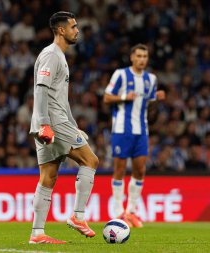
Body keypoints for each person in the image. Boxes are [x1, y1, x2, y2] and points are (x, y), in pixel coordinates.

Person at [29, 11, 99, 244]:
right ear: (61, 30)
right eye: (73, 26)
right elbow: (40, 88)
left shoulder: (58, 56)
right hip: (52, 121)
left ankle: (37, 233)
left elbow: (61, 99)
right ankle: (78, 216)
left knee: (48, 176)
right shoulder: (52, 55)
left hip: (55, 120)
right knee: (91, 161)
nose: (77, 30)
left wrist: (74, 127)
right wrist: (44, 124)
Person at [103, 44, 166, 227]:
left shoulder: (151, 79)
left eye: (145, 56)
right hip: (122, 129)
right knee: (119, 170)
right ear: (132, 57)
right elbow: (107, 97)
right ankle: (118, 212)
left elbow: (150, 106)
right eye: (138, 56)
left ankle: (131, 211)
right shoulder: (121, 74)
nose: (142, 59)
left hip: (142, 130)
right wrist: (123, 97)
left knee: (140, 170)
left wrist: (157, 98)